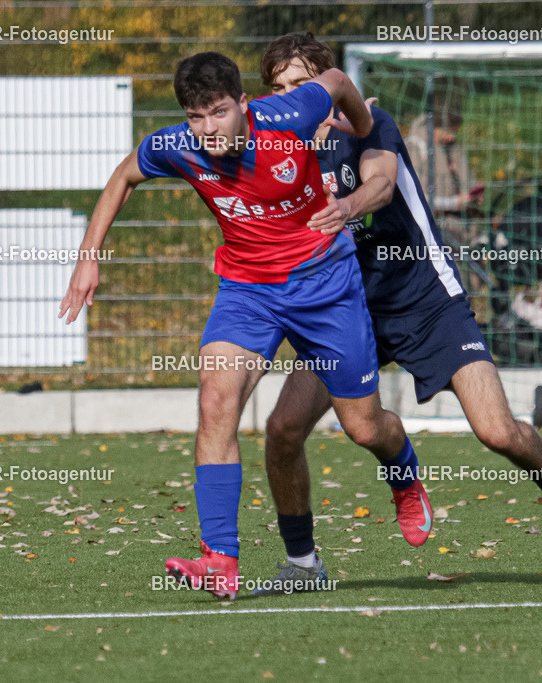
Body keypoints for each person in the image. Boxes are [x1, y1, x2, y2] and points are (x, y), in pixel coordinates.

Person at [59, 52, 433, 600]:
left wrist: (366, 126)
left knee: (365, 428)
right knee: (216, 399)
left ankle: (402, 470)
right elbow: (124, 175)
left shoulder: (290, 115)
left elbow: (338, 81)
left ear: (243, 104)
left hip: (326, 286)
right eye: (195, 117)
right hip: (248, 291)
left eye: (218, 112)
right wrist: (89, 256)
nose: (208, 129)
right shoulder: (178, 147)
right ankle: (220, 558)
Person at [252, 33, 542, 595]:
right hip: (348, 308)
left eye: (301, 84)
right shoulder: (279, 150)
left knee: (498, 432)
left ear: (328, 86)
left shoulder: (370, 122)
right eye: (278, 89)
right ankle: (305, 562)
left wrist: (343, 207)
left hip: (426, 299)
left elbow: (382, 182)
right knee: (283, 429)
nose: (290, 98)